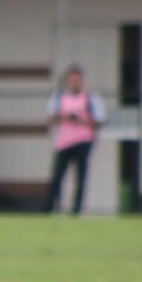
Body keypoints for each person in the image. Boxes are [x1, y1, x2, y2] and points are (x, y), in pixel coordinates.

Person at [42, 65, 105, 215]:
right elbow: (51, 117)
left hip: (83, 140)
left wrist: (81, 120)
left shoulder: (91, 98)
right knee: (57, 177)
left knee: (80, 177)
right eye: (71, 80)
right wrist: (63, 117)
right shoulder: (59, 97)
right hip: (63, 142)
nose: (74, 83)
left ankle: (76, 210)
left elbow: (99, 121)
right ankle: (50, 208)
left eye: (77, 80)